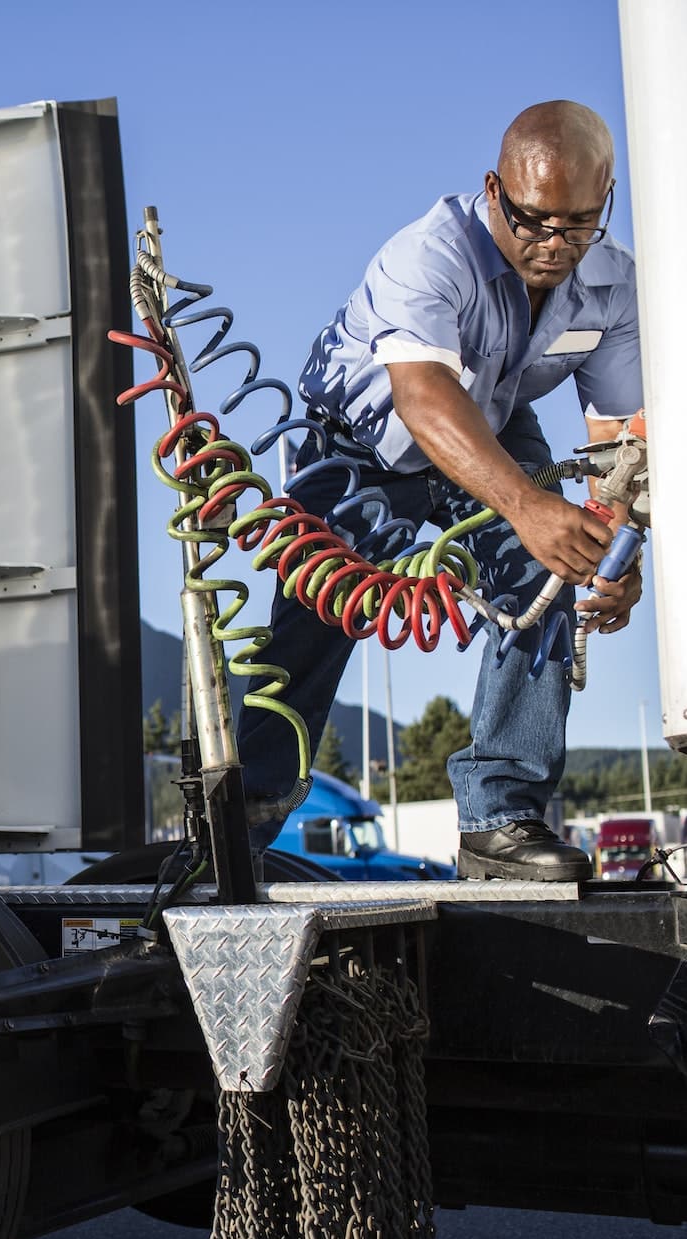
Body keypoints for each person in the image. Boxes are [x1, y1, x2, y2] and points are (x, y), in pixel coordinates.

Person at [237, 101, 644, 881]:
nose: (554, 246)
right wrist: (527, 506)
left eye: (579, 225)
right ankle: (242, 819)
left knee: (547, 573)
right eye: (533, 221)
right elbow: (423, 397)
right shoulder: (428, 254)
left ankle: (501, 818)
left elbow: (621, 444)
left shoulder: (615, 286)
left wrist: (618, 553)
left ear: (608, 199)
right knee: (320, 613)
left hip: (492, 417)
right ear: (494, 189)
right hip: (365, 434)